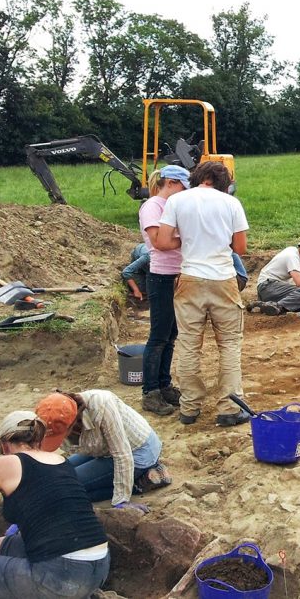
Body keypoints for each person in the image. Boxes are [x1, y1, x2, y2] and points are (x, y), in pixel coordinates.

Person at [154, 161, 251, 427]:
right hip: (223, 279)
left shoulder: (177, 201)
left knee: (188, 345)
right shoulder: (231, 204)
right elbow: (239, 248)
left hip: (189, 279)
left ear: (197, 177)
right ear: (223, 183)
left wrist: (186, 239)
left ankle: (189, 408)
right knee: (229, 345)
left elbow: (162, 242)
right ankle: (229, 408)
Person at [0, 411, 110, 598]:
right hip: (99, 568)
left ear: (4, 444)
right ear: (39, 440)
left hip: (61, 575)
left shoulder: (2, 464)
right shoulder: (61, 461)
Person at [36, 391, 170, 509]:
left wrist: (121, 500)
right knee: (55, 475)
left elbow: (122, 454)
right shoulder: (49, 414)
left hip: (138, 452)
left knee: (66, 488)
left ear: (72, 422)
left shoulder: (102, 406)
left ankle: (138, 485)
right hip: (103, 449)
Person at [137, 165, 190, 416]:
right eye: (182, 186)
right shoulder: (152, 207)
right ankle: (150, 391)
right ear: (170, 182)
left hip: (177, 276)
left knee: (171, 335)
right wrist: (190, 238)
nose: (183, 192)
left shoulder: (170, 207)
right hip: (161, 277)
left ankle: (164, 385)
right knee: (158, 336)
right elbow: (160, 242)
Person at [249, 235, 300, 315]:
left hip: (268, 289)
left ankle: (264, 305)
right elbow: (299, 282)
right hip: (268, 286)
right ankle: (277, 307)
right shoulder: (292, 256)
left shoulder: (292, 251)